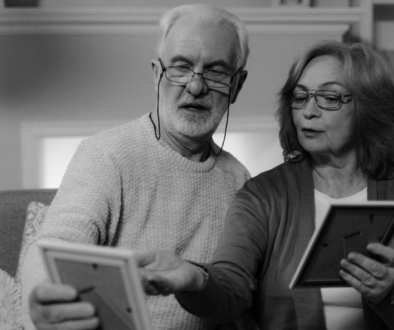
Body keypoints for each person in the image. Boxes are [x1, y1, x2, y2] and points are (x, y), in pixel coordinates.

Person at [21, 4, 250, 330]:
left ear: (236, 85)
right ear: (158, 74)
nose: (196, 87)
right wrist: (43, 296)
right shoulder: (107, 155)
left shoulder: (241, 181)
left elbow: (240, 293)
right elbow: (59, 242)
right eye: (181, 67)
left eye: (216, 72)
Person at [136, 40, 394, 330]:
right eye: (300, 97)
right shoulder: (263, 195)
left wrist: (390, 294)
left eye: (330, 98)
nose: (308, 111)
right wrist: (195, 279)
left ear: (368, 107)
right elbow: (230, 289)